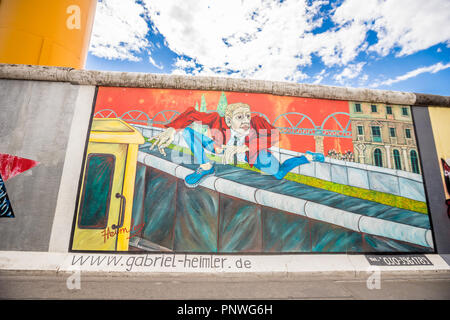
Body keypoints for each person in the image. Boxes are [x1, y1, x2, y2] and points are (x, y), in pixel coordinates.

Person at [150, 102, 324, 188]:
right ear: (228, 120)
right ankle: (205, 167)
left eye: (247, 116)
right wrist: (173, 129)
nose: (246, 121)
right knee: (187, 132)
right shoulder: (217, 121)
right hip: (220, 148)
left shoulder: (257, 122)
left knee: (278, 174)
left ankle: (306, 157)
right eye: (240, 117)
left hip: (251, 153)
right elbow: (192, 114)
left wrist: (247, 147)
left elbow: (275, 135)